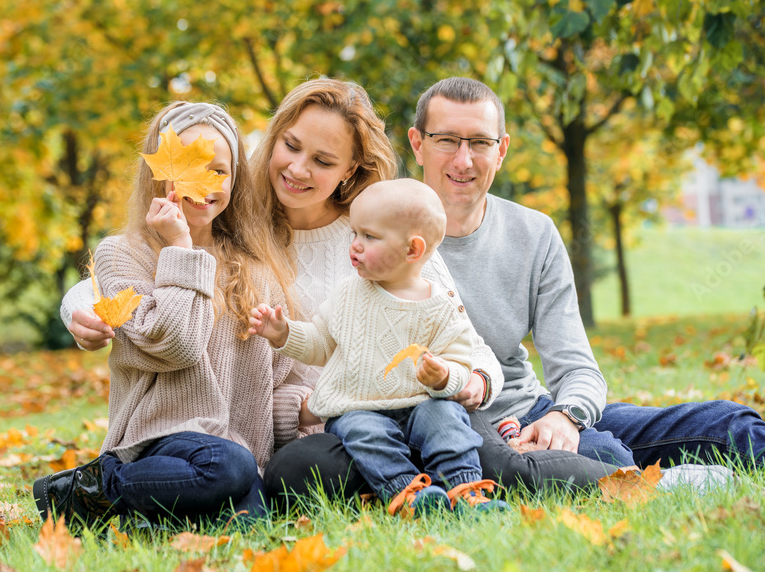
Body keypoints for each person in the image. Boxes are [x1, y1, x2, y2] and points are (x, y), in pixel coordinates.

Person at [63, 79, 616, 509]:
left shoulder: (378, 228)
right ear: (274, 137)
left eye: (323, 161)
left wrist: (470, 382)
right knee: (299, 472)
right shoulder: (239, 216)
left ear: (352, 170)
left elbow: (447, 319)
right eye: (290, 145)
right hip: (326, 424)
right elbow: (144, 263)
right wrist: (80, 305)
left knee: (470, 444)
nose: (297, 169)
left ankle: (594, 470)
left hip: (411, 405)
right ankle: (422, 479)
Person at [407, 76, 765, 478]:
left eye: (479, 142)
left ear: (502, 149)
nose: (464, 160)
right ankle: (677, 483)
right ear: (418, 145)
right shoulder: (378, 235)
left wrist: (566, 416)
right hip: (459, 427)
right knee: (606, 454)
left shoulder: (534, 233)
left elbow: (577, 367)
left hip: (535, 411)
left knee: (725, 423)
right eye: (446, 140)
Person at [33, 101, 302, 534]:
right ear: (158, 174)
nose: (204, 184)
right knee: (228, 467)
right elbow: (175, 345)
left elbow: (278, 374)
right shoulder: (123, 255)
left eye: (219, 171)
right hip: (154, 441)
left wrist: (304, 412)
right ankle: (89, 488)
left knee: (250, 524)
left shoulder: (254, 269)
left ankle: (149, 515)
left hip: (232, 450)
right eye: (188, 168)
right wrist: (180, 246)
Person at [250, 179, 508, 517]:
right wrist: (283, 334)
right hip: (362, 408)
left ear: (412, 250)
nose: (355, 245)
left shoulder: (442, 307)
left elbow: (462, 363)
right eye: (354, 234)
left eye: (369, 237)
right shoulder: (348, 294)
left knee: (447, 419)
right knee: (363, 430)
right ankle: (407, 494)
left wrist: (444, 377)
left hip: (422, 406)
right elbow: (320, 343)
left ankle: (465, 492)